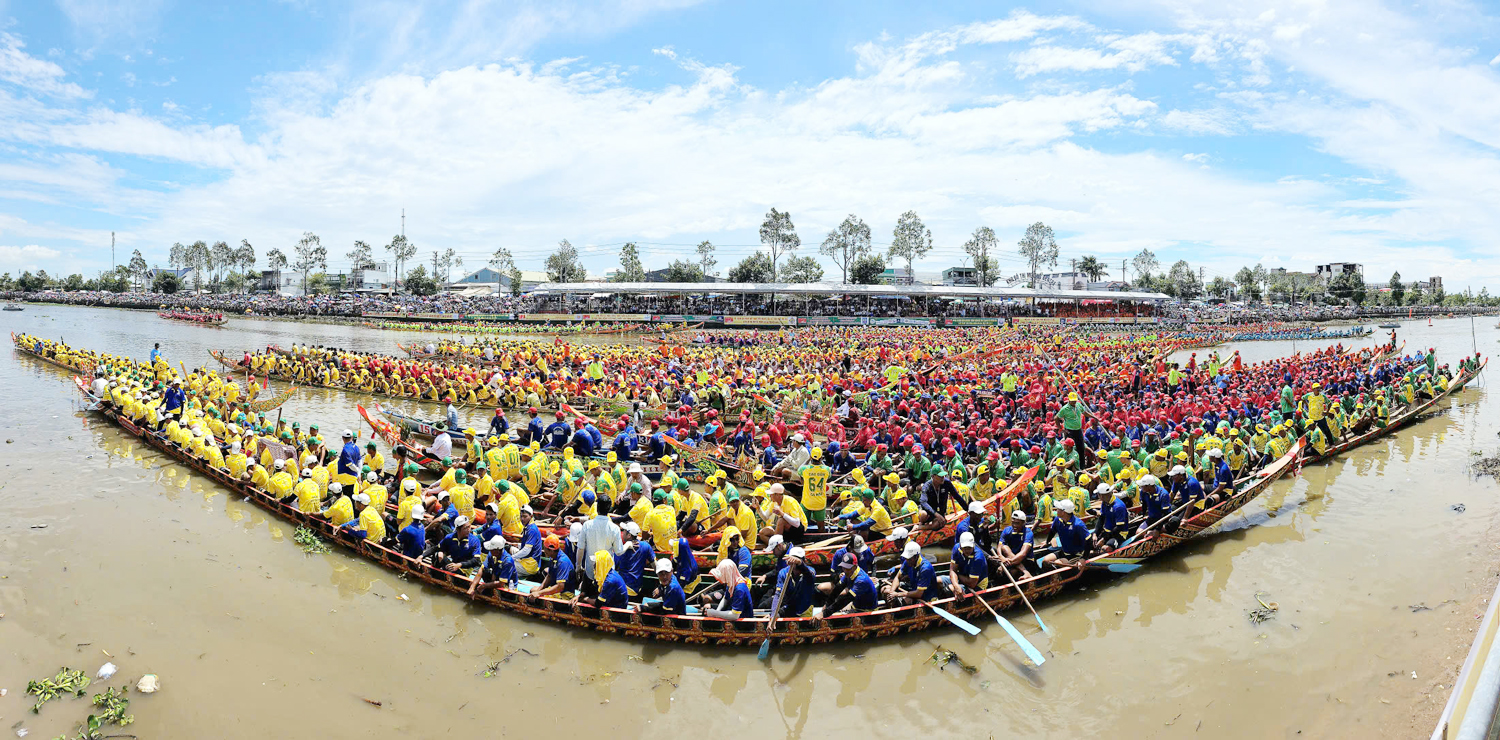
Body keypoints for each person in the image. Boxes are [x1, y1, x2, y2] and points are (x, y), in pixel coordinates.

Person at [883, 540, 942, 607]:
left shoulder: (925, 568)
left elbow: (918, 594)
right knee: (885, 590)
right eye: (907, 559)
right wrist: (892, 592)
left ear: (916, 556)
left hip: (925, 597)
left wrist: (897, 594)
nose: (907, 561)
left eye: (909, 559)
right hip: (913, 589)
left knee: (904, 600)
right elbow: (897, 577)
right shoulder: (908, 561)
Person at [1040, 499, 1090, 569]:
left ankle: (1056, 578)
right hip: (1064, 551)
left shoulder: (1078, 525)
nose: (1056, 510)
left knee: (1057, 563)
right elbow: (1052, 531)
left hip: (1076, 554)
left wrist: (1084, 558)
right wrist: (1047, 541)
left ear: (1063, 512)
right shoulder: (1058, 519)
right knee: (1045, 561)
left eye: (1058, 509)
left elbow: (1088, 540)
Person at [772, 547, 816, 619]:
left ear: (803, 560)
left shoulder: (810, 571)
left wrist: (800, 563)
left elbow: (809, 575)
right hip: (789, 608)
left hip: (804, 610)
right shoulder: (783, 572)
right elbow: (778, 595)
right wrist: (773, 615)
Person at [946, 531, 988, 596]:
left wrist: (957, 575)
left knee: (949, 589)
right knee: (938, 581)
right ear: (960, 545)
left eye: (969, 548)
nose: (967, 551)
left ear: (973, 545)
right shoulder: (956, 548)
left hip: (977, 584)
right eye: (965, 548)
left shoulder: (978, 558)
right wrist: (956, 586)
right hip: (963, 577)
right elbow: (952, 570)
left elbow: (972, 584)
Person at [996, 510, 1034, 576]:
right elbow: (999, 546)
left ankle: (1026, 572)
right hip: (1011, 558)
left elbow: (1023, 554)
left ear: (1023, 523)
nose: (1014, 525)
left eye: (1017, 523)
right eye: (1013, 523)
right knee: (1004, 547)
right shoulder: (1007, 530)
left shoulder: (1028, 533)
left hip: (1025, 560)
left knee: (1013, 572)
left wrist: (1004, 565)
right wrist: (1001, 556)